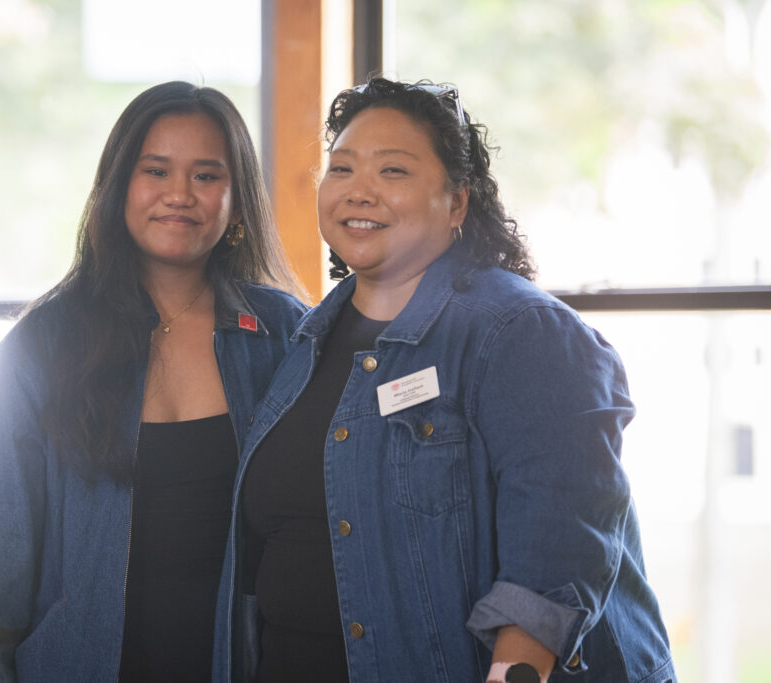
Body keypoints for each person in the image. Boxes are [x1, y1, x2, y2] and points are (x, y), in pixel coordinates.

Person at [212, 77, 676, 682]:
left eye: (394, 172)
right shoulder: (303, 341)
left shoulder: (523, 332)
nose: (360, 192)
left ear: (457, 203)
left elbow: (555, 561)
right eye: (343, 168)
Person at [0, 81, 306, 682]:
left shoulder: (283, 335)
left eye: (206, 176)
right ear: (118, 187)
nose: (179, 195)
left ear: (239, 200)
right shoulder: (40, 348)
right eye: (156, 170)